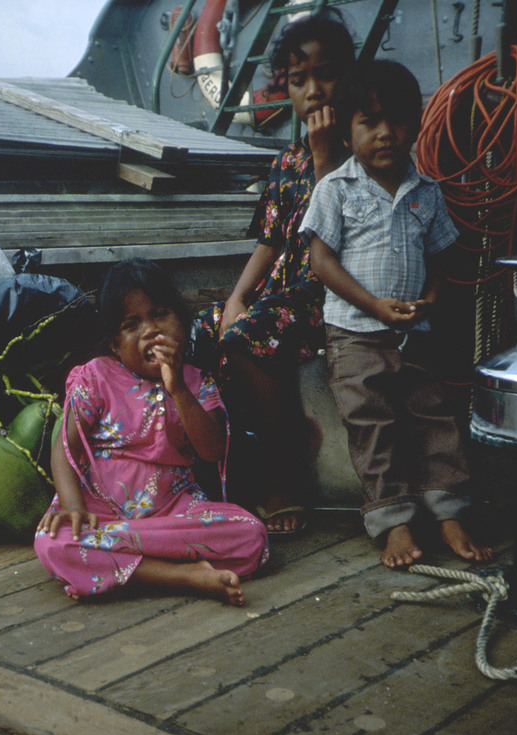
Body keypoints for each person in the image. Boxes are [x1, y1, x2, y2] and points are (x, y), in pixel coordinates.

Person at [300, 59, 493, 569]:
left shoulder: (426, 192)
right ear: (346, 130)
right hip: (355, 334)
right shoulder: (335, 189)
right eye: (369, 122)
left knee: (435, 417)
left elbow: (441, 257)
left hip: (414, 334)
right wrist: (373, 305)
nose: (385, 134)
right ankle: (394, 523)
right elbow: (320, 260)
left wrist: (430, 298)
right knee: (373, 426)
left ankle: (448, 512)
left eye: (397, 121)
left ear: (415, 125)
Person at [195, 11, 356, 535]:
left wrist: (326, 155)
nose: (313, 90)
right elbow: (268, 242)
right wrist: (237, 298)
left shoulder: (361, 155)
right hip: (276, 296)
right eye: (298, 79)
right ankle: (228, 468)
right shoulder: (286, 162)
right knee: (207, 329)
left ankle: (283, 467)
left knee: (244, 339)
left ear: (348, 76)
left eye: (325, 74)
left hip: (324, 294)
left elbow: (336, 236)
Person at [35, 258, 269, 605]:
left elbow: (212, 451)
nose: (150, 330)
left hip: (173, 511)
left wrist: (179, 391)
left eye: (160, 313)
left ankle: (124, 568)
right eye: (132, 324)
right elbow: (64, 448)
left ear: (183, 322)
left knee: (252, 537)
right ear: (114, 344)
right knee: (52, 543)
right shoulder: (97, 376)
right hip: (102, 512)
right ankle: (185, 575)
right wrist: (71, 505)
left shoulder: (196, 381)